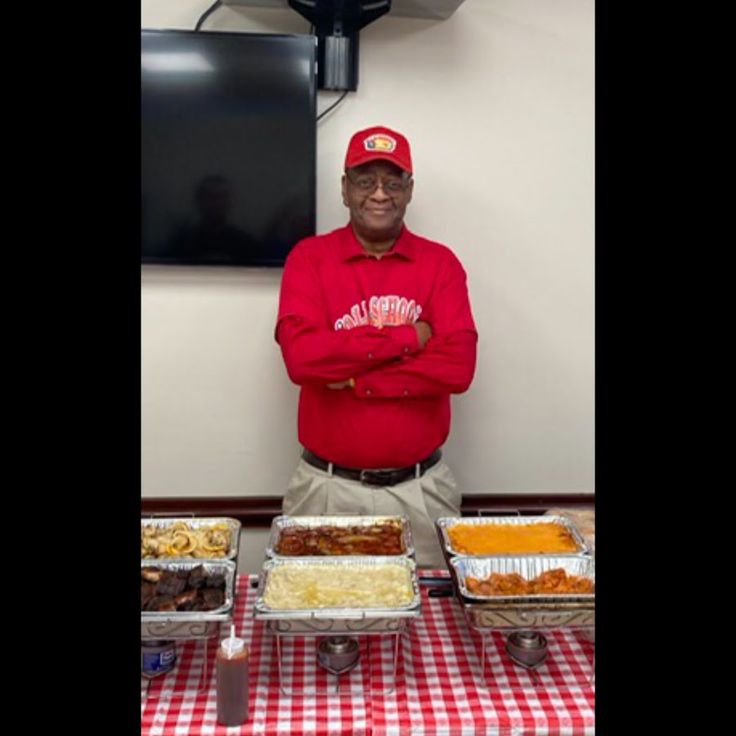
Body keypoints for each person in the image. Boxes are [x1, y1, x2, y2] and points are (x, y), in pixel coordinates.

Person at [275, 125, 478, 568]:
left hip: (421, 493)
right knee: (317, 623)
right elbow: (302, 358)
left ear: (409, 190)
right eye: (366, 181)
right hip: (326, 491)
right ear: (345, 189)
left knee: (429, 630)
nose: (379, 194)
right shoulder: (309, 260)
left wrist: (354, 377)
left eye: (393, 181)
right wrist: (408, 338)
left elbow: (458, 367)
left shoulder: (440, 264)